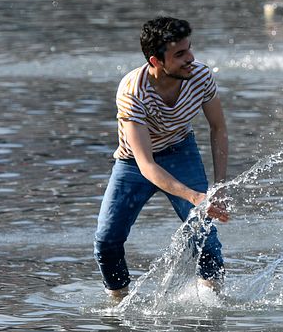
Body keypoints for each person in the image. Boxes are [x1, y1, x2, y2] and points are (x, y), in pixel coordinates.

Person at [94, 17, 230, 301]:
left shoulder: (201, 77)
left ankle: (212, 302)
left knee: (204, 235)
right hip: (134, 163)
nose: (190, 59)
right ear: (156, 61)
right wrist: (195, 196)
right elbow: (146, 165)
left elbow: (218, 127)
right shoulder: (133, 91)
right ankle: (118, 303)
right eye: (180, 55)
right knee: (107, 241)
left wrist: (219, 186)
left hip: (181, 151)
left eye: (189, 50)